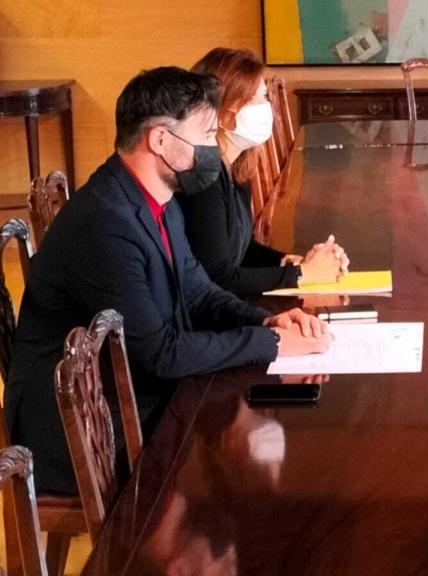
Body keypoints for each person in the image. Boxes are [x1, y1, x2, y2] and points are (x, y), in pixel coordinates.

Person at [5, 67, 333, 494]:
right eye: (205, 133)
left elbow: (197, 290)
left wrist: (266, 323)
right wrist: (270, 345)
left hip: (129, 392)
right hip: (77, 429)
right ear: (160, 140)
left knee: (253, 446)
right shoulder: (105, 223)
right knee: (241, 472)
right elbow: (161, 352)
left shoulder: (160, 198)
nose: (212, 147)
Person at [179, 47, 346, 295]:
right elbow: (219, 277)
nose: (266, 107)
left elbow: (243, 250)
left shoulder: (237, 164)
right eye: (255, 99)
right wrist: (302, 275)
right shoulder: (204, 180)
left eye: (265, 97)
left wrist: (293, 262)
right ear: (221, 110)